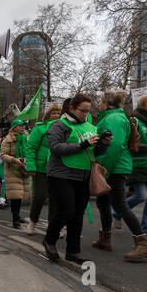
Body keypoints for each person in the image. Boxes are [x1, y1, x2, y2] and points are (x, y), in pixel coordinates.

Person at [43, 94, 110, 264]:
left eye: (88, 111)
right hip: (60, 174)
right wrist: (83, 144)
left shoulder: (91, 126)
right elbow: (56, 148)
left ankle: (73, 251)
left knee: (77, 214)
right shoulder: (58, 125)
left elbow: (95, 153)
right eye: (82, 111)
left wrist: (102, 144)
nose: (85, 114)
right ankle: (50, 240)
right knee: (66, 211)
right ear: (71, 108)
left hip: (83, 174)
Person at [92, 91, 147, 261]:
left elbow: (114, 146)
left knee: (119, 205)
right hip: (116, 166)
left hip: (115, 167)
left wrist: (104, 170)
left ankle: (143, 244)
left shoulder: (113, 119)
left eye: (99, 101)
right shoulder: (114, 117)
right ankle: (105, 239)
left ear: (106, 102)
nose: (98, 104)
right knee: (103, 202)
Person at [113, 95, 147, 242]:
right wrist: (145, 147)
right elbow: (128, 143)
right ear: (142, 105)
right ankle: (116, 211)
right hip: (139, 165)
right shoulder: (135, 120)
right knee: (141, 195)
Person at [25, 104, 62, 235]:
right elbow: (30, 148)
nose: (57, 116)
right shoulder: (40, 128)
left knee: (55, 200)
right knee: (39, 197)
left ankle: (53, 228)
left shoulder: (65, 128)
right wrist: (31, 166)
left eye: (59, 113)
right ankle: (32, 222)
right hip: (41, 168)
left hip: (58, 169)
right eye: (54, 113)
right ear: (48, 115)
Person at [1, 119, 31, 229]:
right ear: (14, 128)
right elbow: (3, 155)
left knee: (21, 195)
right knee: (15, 197)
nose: (23, 127)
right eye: (20, 126)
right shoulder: (7, 140)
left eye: (24, 126)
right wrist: (14, 160)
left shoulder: (26, 138)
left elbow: (30, 151)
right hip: (12, 170)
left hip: (24, 170)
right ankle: (15, 219)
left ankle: (18, 216)